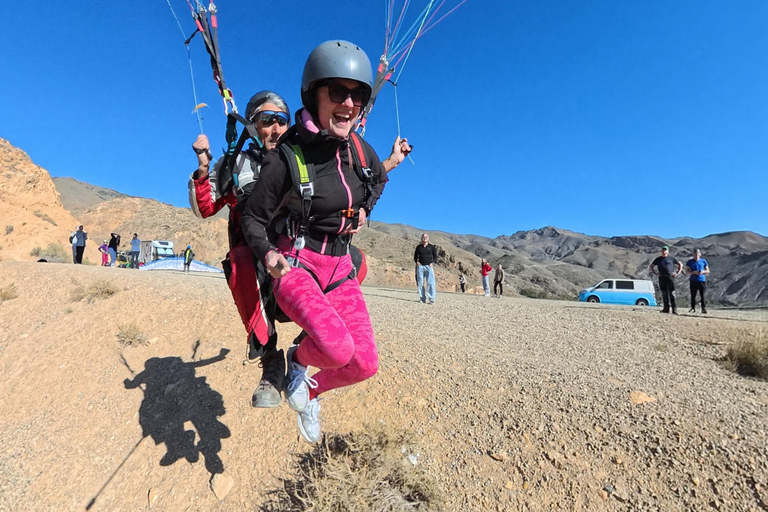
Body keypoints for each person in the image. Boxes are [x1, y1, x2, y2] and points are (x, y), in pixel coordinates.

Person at [190, 89, 410, 409]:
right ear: (253, 126)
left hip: (297, 250)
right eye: (267, 121)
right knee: (240, 262)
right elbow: (205, 208)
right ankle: (270, 359)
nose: (276, 128)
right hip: (255, 253)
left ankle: (315, 335)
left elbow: (343, 185)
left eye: (281, 120)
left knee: (355, 262)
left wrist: (388, 163)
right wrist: (202, 165)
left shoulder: (302, 155)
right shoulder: (237, 164)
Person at [241, 40, 393, 443]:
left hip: (340, 268)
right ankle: (295, 359)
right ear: (314, 95)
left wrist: (365, 211)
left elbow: (378, 180)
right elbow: (251, 219)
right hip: (298, 265)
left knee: (365, 364)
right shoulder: (286, 156)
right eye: (338, 92)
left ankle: (308, 389)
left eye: (357, 93)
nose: (349, 102)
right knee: (337, 348)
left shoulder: (361, 151)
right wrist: (269, 254)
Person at [650, 245, 683, 314]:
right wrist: (655, 273)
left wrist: (677, 272)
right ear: (661, 251)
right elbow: (651, 266)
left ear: (667, 251)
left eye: (665, 250)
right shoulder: (658, 259)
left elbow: (680, 264)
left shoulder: (671, 258)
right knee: (664, 294)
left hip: (670, 277)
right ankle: (666, 309)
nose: (664, 252)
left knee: (672, 294)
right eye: (663, 250)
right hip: (662, 277)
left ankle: (674, 309)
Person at [413, 233, 437, 304]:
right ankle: (422, 298)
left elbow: (435, 256)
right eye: (423, 237)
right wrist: (417, 262)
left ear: (428, 239)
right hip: (420, 267)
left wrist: (432, 263)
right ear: (421, 238)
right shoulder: (419, 247)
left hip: (429, 267)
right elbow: (415, 256)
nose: (425, 238)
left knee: (430, 283)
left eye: (426, 237)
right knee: (420, 283)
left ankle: (431, 298)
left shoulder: (431, 247)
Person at [685, 249, 709, 314]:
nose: (696, 255)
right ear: (693, 254)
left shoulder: (703, 261)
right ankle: (693, 308)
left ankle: (703, 308)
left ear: (700, 254)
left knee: (703, 295)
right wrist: (693, 272)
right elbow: (687, 271)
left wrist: (702, 272)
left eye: (698, 253)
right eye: (695, 253)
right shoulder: (690, 262)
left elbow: (708, 270)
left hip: (702, 280)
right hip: (693, 280)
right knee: (693, 295)